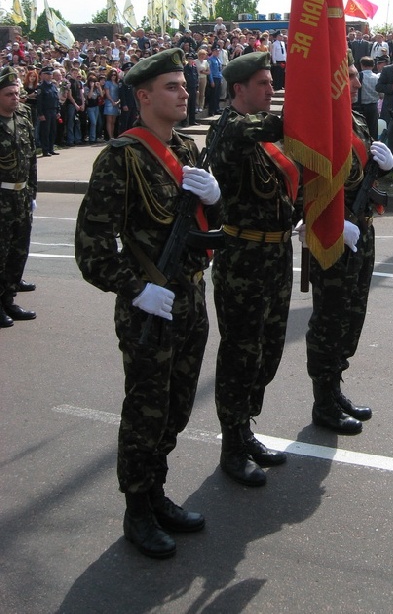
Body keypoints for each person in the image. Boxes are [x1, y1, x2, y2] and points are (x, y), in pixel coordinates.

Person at [75, 48, 221, 559]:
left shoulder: (187, 149)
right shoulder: (121, 157)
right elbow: (92, 250)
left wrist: (215, 200)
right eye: (172, 87)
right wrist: (136, 289)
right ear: (143, 97)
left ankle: (156, 490)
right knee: (146, 411)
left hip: (191, 300)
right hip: (150, 309)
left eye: (185, 85)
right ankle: (137, 508)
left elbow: (208, 227)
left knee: (177, 406)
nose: (185, 93)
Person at [208, 52, 300, 487]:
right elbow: (275, 126)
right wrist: (313, 106)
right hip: (243, 260)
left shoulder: (261, 138)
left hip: (276, 257)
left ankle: (245, 428)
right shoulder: (231, 129)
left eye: (271, 82)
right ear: (238, 89)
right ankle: (232, 445)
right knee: (241, 354)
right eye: (263, 83)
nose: (271, 89)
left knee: (268, 351)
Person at [301, 62, 393, 434]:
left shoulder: (356, 120)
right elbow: (302, 181)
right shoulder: (316, 124)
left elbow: (360, 177)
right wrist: (331, 222)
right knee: (330, 319)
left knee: (352, 316)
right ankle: (323, 401)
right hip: (334, 234)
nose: (356, 82)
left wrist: (384, 168)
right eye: (350, 76)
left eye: (355, 76)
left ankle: (335, 387)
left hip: (362, 232)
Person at [0, 67, 38, 329]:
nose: (15, 98)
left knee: (18, 250)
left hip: (21, 195)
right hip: (1, 196)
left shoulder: (22, 119)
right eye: (9, 94)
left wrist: (32, 191)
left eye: (16, 93)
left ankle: (8, 299)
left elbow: (31, 158)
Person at [36, 65, 60, 157]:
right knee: (45, 131)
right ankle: (45, 150)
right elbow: (39, 102)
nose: (50, 76)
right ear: (44, 75)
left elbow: (56, 99)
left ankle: (51, 148)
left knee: (53, 131)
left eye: (51, 74)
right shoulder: (41, 87)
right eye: (48, 74)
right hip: (45, 112)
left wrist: (58, 111)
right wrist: (41, 114)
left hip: (53, 111)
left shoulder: (53, 86)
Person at [355, 55, 380, 141]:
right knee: (373, 131)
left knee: (360, 131)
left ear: (362, 65)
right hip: (373, 106)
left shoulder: (358, 76)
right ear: (373, 66)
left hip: (360, 107)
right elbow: (381, 95)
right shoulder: (377, 77)